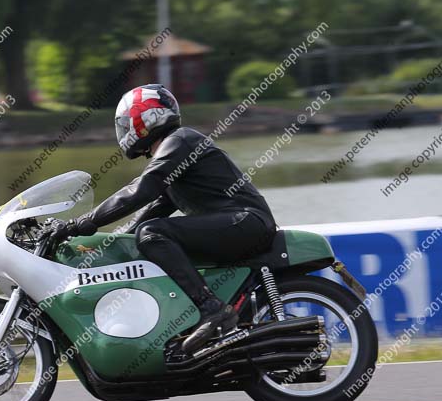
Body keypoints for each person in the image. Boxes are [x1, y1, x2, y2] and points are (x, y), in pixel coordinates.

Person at [52, 84, 277, 355]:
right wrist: (117, 240)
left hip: (245, 222)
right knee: (146, 234)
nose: (124, 132)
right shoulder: (175, 153)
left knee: (152, 233)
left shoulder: (180, 140)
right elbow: (156, 206)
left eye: (126, 124)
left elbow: (141, 190)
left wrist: (82, 223)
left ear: (145, 118)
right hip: (240, 224)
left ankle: (212, 309)